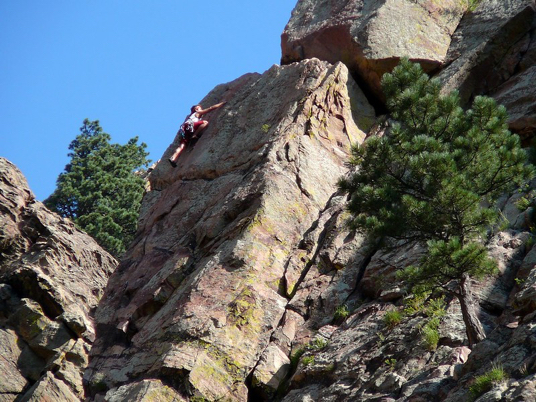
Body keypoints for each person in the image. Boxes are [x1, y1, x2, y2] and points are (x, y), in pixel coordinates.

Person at [168, 101, 226, 167]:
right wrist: (221, 104)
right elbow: (210, 108)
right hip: (190, 126)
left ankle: (173, 158)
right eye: (200, 108)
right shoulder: (197, 112)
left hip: (184, 130)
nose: (201, 109)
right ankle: (194, 135)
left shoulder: (190, 116)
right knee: (205, 122)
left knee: (182, 146)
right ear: (196, 109)